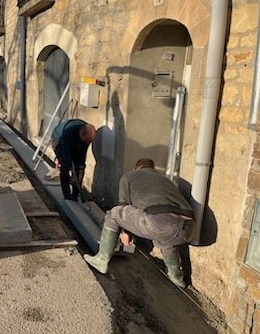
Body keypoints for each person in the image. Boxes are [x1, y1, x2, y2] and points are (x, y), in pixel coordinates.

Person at [83, 158, 195, 288]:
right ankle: (176, 277)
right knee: (165, 241)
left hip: (160, 222)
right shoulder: (164, 180)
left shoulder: (129, 177)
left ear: (135, 168)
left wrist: (125, 233)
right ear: (153, 169)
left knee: (114, 214)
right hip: (189, 227)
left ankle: (101, 260)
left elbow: (123, 207)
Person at [50, 119, 96, 201]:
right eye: (86, 141)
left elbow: (82, 154)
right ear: (81, 134)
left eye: (89, 141)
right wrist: (71, 168)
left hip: (72, 140)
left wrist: (79, 170)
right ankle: (67, 196)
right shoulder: (68, 133)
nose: (87, 143)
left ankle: (75, 195)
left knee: (80, 167)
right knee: (64, 166)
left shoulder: (87, 134)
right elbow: (66, 154)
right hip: (59, 140)